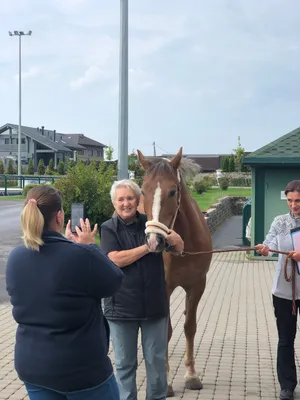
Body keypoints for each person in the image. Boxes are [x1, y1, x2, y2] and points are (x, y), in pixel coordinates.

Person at [5, 185, 123, 400]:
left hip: (33, 367)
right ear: (59, 217)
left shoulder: (16, 257)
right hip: (81, 370)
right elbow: (114, 281)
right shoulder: (82, 256)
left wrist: (71, 246)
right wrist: (90, 246)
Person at [99, 179, 184, 400]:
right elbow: (115, 259)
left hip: (154, 308)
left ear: (138, 201)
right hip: (121, 309)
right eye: (121, 199)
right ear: (114, 203)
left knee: (156, 363)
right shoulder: (109, 228)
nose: (126, 203)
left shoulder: (152, 224)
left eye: (130, 198)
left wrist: (177, 240)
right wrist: (147, 248)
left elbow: (178, 249)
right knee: (125, 365)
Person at [255, 180, 300, 400]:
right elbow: (269, 242)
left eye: (298, 201)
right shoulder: (279, 221)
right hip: (283, 292)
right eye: (290, 201)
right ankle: (287, 386)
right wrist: (264, 248)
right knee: (285, 339)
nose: (294, 205)